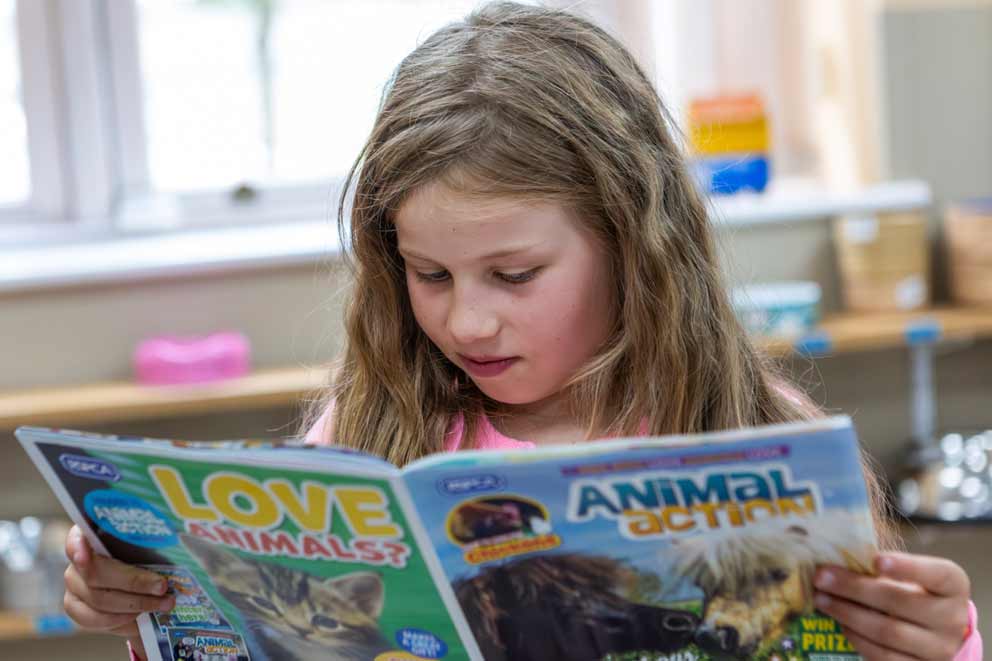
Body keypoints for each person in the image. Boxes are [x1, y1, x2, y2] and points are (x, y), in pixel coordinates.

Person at [61, 3, 979, 659]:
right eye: (429, 274)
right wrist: (153, 609)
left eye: (514, 275)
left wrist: (938, 642)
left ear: (634, 245)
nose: (466, 319)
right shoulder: (363, 433)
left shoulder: (762, 434)